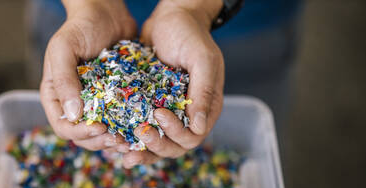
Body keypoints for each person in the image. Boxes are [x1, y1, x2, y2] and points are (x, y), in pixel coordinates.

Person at [29, 0, 303, 168]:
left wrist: (193, 8)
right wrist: (88, 5)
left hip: (243, 26)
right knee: (74, 133)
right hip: (74, 12)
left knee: (249, 149)